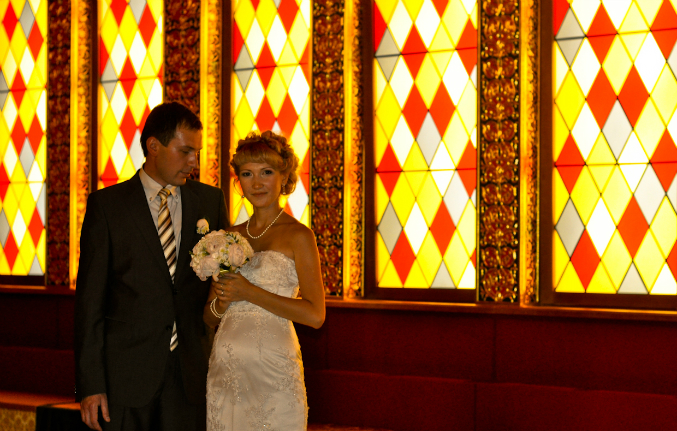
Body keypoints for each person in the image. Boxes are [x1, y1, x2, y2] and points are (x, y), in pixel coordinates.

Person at [74, 101, 228, 431]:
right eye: (185, 151)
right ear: (153, 146)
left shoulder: (210, 201)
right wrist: (90, 384)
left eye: (197, 153)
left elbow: (222, 284)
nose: (193, 161)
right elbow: (90, 303)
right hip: (125, 378)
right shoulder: (107, 206)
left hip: (190, 375)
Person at [204, 130, 325, 430]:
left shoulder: (299, 236)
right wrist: (222, 302)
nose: (257, 183)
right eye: (247, 174)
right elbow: (208, 317)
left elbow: (315, 315)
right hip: (226, 371)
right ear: (239, 182)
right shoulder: (228, 236)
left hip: (274, 372)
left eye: (266, 172)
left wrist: (249, 292)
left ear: (284, 178)